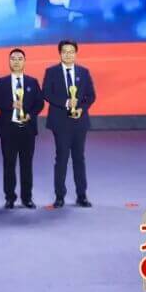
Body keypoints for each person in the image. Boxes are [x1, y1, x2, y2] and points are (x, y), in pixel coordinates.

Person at [42, 39, 97, 208]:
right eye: (65, 51)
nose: (68, 54)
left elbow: (91, 96)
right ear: (60, 53)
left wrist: (81, 108)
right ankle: (59, 196)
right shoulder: (51, 72)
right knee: (62, 158)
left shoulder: (84, 72)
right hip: (60, 122)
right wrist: (66, 103)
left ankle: (82, 195)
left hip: (79, 121)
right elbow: (46, 93)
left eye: (71, 51)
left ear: (76, 53)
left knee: (79, 158)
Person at [0, 48, 45, 209]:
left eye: (20, 58)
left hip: (27, 129)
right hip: (8, 130)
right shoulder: (1, 82)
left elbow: (39, 103)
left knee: (27, 165)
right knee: (9, 165)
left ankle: (27, 198)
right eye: (13, 58)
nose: (16, 61)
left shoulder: (32, 82)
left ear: (24, 61)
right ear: (9, 61)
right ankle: (10, 198)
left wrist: (30, 115)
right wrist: (10, 104)